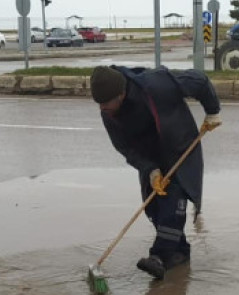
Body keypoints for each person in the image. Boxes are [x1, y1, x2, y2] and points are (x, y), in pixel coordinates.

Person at [90, 65, 222, 279]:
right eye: (100, 104)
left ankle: (158, 257)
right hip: (151, 158)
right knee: (153, 208)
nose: (103, 109)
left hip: (180, 150)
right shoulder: (109, 114)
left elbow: (200, 81)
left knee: (173, 205)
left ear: (121, 94)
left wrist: (212, 111)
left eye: (106, 103)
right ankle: (178, 253)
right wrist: (150, 170)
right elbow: (125, 148)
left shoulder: (157, 84)